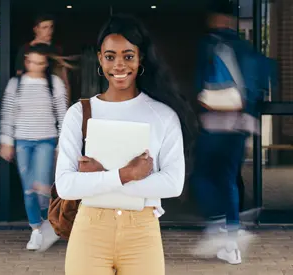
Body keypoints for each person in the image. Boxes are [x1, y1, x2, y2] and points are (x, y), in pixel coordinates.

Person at [55, 14, 193, 275]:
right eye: (110, 56)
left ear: (140, 59)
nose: (119, 65)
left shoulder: (163, 115)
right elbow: (65, 185)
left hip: (141, 232)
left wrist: (101, 179)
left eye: (128, 56)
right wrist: (126, 174)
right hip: (90, 230)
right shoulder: (79, 113)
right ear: (100, 59)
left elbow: (173, 184)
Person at [190, 0, 272, 265]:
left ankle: (217, 227)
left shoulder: (210, 44)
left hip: (215, 123)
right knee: (228, 179)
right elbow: (263, 81)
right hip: (241, 125)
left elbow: (198, 84)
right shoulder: (246, 47)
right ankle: (232, 240)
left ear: (215, 18)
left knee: (200, 176)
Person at [0, 43, 67, 251]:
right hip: (22, 141)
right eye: (32, 61)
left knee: (41, 186)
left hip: (46, 140)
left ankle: (50, 223)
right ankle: (36, 230)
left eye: (40, 62)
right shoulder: (15, 84)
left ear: (45, 64)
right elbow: (8, 113)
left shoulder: (54, 83)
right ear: (26, 60)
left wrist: (62, 144)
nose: (35, 66)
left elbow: (63, 113)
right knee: (29, 188)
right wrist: (6, 141)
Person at [15, 14, 73, 104]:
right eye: (44, 27)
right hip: (31, 99)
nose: (49, 31)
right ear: (36, 29)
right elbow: (18, 79)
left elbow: (64, 80)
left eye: (51, 27)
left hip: (54, 100)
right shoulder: (25, 49)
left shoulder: (57, 50)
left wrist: (66, 105)